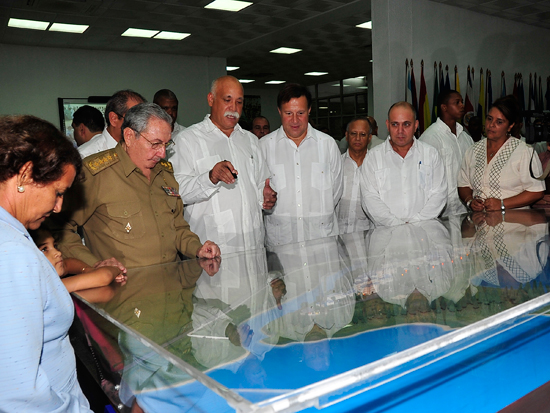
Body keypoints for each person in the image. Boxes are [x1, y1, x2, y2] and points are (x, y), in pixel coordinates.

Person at [0, 115, 92, 411]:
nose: (58, 207)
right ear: (26, 175)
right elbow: (20, 394)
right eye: (58, 193)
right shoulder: (11, 252)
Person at [55, 103, 220, 268]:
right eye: (155, 144)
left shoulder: (165, 174)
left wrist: (197, 248)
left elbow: (177, 227)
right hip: (123, 289)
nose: (162, 153)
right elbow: (60, 230)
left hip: (173, 286)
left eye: (166, 144)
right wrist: (95, 265)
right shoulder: (95, 174)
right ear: (129, 136)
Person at [169, 76, 276, 253]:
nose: (233, 108)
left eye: (239, 102)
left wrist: (265, 196)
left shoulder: (250, 141)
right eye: (227, 100)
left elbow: (259, 185)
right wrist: (209, 178)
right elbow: (176, 192)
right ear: (211, 99)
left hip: (252, 244)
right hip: (212, 248)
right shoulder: (187, 140)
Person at [260, 83, 343, 246]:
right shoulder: (264, 147)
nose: (295, 120)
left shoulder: (327, 144)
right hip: (281, 242)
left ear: (309, 110)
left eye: (301, 113)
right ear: (279, 111)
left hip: (321, 240)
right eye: (288, 113)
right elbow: (259, 193)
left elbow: (336, 190)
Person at [360, 101, 447, 227]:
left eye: (406, 124)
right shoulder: (373, 157)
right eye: (395, 124)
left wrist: (415, 223)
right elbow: (370, 198)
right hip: (386, 237)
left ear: (416, 125)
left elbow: (439, 194)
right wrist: (396, 225)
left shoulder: (431, 154)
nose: (400, 131)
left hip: (423, 233)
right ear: (387, 125)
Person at [458, 95, 545, 212]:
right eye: (489, 119)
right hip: (480, 224)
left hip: (515, 223)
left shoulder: (524, 151)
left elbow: (537, 191)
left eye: (499, 122)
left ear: (510, 126)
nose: (491, 125)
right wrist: (470, 201)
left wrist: (502, 204)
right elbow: (463, 183)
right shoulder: (473, 150)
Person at [419, 89, 474, 216]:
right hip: (442, 211)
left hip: (467, 208)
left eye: (462, 102)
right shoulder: (430, 137)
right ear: (444, 107)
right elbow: (423, 178)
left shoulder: (465, 137)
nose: (462, 105)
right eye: (457, 102)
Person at [30, 228, 127, 292]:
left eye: (55, 246)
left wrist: (89, 270)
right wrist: (116, 269)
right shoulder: (52, 288)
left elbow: (69, 263)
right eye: (44, 249)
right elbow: (106, 275)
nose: (58, 253)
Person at [78, 89, 145, 158]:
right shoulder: (86, 155)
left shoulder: (147, 150)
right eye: (134, 120)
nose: (141, 126)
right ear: (114, 119)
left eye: (143, 121)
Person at [336, 117, 373, 234]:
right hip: (339, 236)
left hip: (368, 236)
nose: (357, 138)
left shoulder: (376, 166)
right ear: (346, 136)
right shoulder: (336, 165)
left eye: (362, 134)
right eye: (353, 134)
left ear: (369, 138)